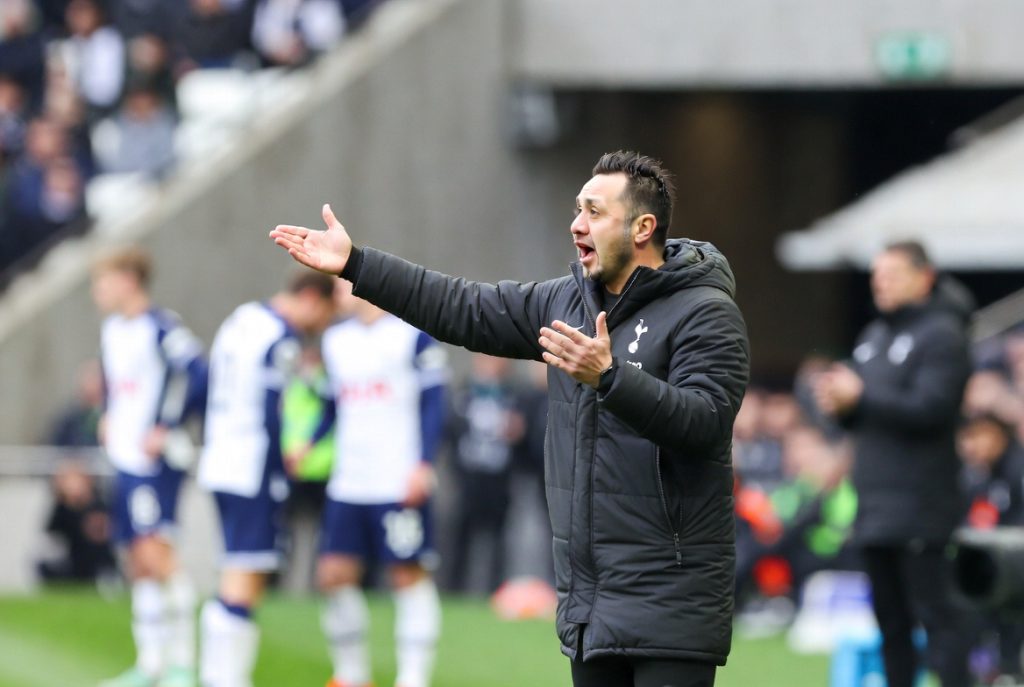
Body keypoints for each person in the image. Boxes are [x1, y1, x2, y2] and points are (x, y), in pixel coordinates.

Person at [271, 151, 751, 687]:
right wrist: (358, 266)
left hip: (671, 598)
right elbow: (464, 307)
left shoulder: (704, 310)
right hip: (591, 603)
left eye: (594, 212)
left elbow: (706, 423)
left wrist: (610, 377)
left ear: (643, 228)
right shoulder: (567, 302)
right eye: (577, 209)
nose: (577, 224)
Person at [813, 240, 974, 687]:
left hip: (922, 505)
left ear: (925, 277)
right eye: (876, 276)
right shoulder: (874, 337)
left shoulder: (943, 334)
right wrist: (840, 406)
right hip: (875, 507)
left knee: (938, 620)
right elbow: (865, 415)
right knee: (891, 624)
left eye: (892, 274)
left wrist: (862, 397)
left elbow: (933, 409)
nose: (880, 283)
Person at [196, 271, 337, 687]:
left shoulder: (241, 319)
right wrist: (281, 464)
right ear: (311, 298)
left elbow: (205, 383)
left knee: (234, 568)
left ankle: (218, 674)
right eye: (325, 315)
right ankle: (226, 678)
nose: (322, 326)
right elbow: (271, 410)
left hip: (220, 457)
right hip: (252, 466)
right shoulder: (281, 337)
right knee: (247, 573)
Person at [304, 280, 448, 687]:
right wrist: (310, 443)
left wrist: (423, 464)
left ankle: (413, 678)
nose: (333, 296)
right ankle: (351, 675)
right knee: (333, 574)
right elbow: (333, 405)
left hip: (397, 480)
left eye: (339, 287)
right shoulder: (335, 341)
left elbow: (435, 403)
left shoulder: (411, 337)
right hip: (349, 482)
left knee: (407, 575)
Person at [91, 247, 207, 687]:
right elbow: (114, 382)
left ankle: (182, 664)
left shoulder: (160, 325)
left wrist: (166, 424)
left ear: (129, 280)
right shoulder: (112, 330)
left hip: (151, 462)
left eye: (104, 281)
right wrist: (107, 413)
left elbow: (195, 371)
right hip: (123, 458)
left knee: (158, 555)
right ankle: (150, 663)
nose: (98, 292)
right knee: (138, 560)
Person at [444, 353, 526, 594]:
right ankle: (454, 589)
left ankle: (494, 589)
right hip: (469, 476)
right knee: (461, 535)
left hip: (499, 478)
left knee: (498, 538)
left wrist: (519, 432)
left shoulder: (513, 394)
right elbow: (451, 430)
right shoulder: (464, 392)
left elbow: (526, 433)